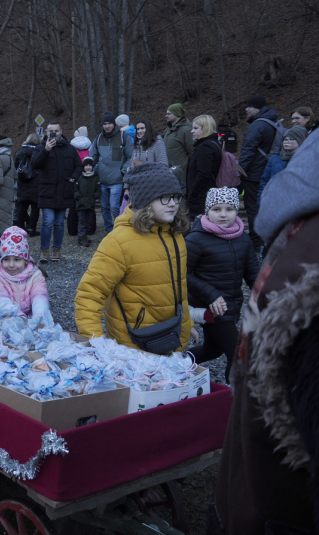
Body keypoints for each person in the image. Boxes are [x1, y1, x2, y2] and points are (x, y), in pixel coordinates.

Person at [209, 131, 319, 535]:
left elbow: (251, 273)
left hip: (235, 313)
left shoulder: (253, 240)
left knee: (226, 358)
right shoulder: (308, 263)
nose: (223, 217)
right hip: (271, 512)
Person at [75, 162, 196, 352]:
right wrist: (96, 343)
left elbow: (179, 288)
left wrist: (188, 325)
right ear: (145, 201)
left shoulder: (176, 235)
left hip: (173, 336)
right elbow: (89, 294)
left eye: (175, 196)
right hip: (135, 344)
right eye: (164, 197)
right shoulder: (118, 242)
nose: (172, 203)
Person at [185, 188, 258, 381]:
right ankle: (232, 399)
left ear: (236, 210)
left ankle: (179, 362)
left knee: (212, 350)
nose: (223, 214)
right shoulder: (195, 239)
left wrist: (264, 296)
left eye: (229, 209)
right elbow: (180, 274)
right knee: (237, 353)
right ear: (207, 211)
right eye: (217, 209)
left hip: (232, 304)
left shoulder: (243, 237)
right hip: (210, 307)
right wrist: (211, 294)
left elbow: (252, 272)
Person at [34, 121, 84, 261]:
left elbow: (78, 166)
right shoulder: (40, 147)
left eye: (57, 130)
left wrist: (73, 178)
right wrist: (46, 150)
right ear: (46, 132)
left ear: (61, 132)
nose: (54, 133)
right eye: (51, 131)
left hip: (64, 191)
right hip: (47, 191)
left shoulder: (69, 148)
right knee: (47, 221)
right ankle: (44, 250)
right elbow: (34, 165)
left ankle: (57, 249)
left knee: (59, 223)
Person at [239, 94, 279, 251]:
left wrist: (240, 172)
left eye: (249, 106)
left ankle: (256, 243)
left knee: (253, 208)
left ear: (258, 107)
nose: (246, 109)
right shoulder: (273, 121)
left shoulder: (257, 125)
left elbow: (248, 150)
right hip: (268, 172)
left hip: (254, 175)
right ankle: (267, 238)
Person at [0, 226, 50, 318]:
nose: (11, 265)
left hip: (31, 316)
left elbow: (40, 296)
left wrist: (39, 316)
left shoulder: (35, 274)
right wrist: (18, 317)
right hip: (7, 317)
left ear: (26, 260)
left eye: (17, 260)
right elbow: (1, 298)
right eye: (6, 259)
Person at [90, 112, 133, 233]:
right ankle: (109, 230)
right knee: (104, 208)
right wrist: (92, 169)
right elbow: (92, 156)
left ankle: (118, 229)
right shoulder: (98, 138)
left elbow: (130, 156)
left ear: (114, 124)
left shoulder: (123, 137)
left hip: (117, 180)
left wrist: (122, 171)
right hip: (102, 180)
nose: (107, 126)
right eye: (104, 124)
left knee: (114, 206)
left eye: (109, 123)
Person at [258, 125, 309, 206]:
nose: (286, 142)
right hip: (276, 202)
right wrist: (261, 201)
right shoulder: (274, 159)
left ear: (300, 140)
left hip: (299, 204)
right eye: (285, 139)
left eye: (291, 139)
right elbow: (265, 181)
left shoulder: (307, 159)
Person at [186, 115, 222, 219]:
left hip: (202, 196)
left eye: (196, 128)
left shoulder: (206, 147)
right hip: (205, 193)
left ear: (205, 128)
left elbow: (203, 173)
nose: (192, 131)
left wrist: (193, 193)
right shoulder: (212, 143)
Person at [15, 133, 41, 236]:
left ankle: (20, 229)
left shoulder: (20, 152)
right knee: (35, 207)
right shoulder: (39, 152)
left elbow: (16, 165)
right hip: (36, 183)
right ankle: (32, 229)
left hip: (23, 183)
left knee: (23, 206)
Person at [164, 103, 194, 184]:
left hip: (180, 171)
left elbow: (192, 151)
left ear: (177, 114)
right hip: (168, 169)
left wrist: (185, 165)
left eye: (169, 114)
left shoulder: (186, 130)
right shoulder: (168, 129)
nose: (166, 116)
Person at [73, 157, 100, 247]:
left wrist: (94, 197)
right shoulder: (80, 177)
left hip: (90, 204)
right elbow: (75, 189)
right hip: (80, 203)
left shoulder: (95, 177)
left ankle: (86, 236)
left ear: (92, 166)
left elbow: (98, 189)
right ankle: (81, 237)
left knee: (89, 221)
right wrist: (79, 198)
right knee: (81, 221)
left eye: (89, 165)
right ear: (83, 167)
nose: (88, 167)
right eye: (86, 165)